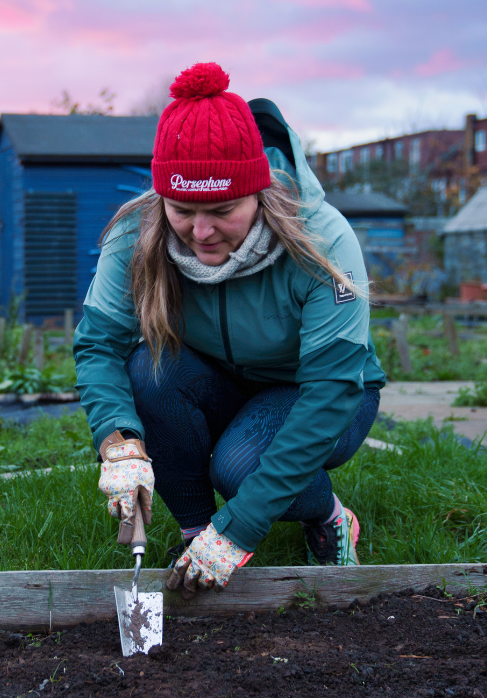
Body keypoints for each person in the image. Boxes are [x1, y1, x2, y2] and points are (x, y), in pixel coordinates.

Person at [74, 62, 386, 597]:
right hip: (219, 381)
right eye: (183, 209)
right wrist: (117, 442)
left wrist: (241, 528)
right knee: (148, 368)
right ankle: (197, 537)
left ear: (258, 194)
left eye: (222, 210)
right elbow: (99, 344)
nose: (200, 231)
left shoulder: (321, 239)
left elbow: (331, 390)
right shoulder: (135, 233)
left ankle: (330, 516)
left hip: (320, 393)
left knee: (240, 467)